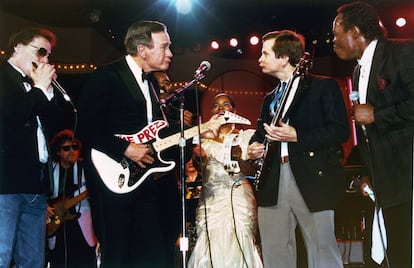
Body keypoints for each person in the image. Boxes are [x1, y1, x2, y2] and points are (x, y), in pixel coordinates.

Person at [76, 20, 220, 267]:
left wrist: (200, 131)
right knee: (118, 254)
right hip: (112, 181)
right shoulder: (107, 76)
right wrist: (125, 148)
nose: (170, 54)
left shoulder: (151, 83)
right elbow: (85, 126)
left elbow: (157, 132)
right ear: (142, 49)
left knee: (151, 254)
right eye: (164, 47)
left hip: (144, 182)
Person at [247, 30, 350, 268]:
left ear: (284, 58)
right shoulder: (269, 98)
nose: (259, 59)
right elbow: (259, 134)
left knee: (322, 249)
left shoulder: (323, 87)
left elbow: (340, 131)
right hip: (272, 180)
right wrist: (254, 146)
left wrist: (298, 136)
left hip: (311, 177)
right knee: (275, 252)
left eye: (265, 53)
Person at [332, 2, 414, 267]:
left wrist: (378, 114)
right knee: (393, 256)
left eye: (336, 34)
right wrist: (369, 171)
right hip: (385, 182)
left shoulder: (402, 52)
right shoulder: (357, 72)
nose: (332, 41)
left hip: (409, 175)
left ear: (355, 32)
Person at [0, 27, 60, 268]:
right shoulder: (2, 76)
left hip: (35, 182)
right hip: (6, 182)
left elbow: (58, 124)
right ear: (18, 47)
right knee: (2, 253)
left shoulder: (36, 86)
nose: (45, 60)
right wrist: (38, 89)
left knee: (33, 259)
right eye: (41, 52)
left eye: (48, 55)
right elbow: (14, 113)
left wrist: (48, 90)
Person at [188, 93, 263, 268]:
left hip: (239, 196)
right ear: (211, 112)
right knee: (209, 240)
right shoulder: (202, 138)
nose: (221, 108)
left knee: (240, 239)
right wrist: (199, 157)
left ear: (234, 110)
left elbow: (254, 170)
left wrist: (239, 158)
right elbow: (198, 168)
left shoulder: (246, 136)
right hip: (211, 198)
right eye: (216, 105)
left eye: (226, 104)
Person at [46, 129, 98, 268]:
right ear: (58, 151)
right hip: (57, 227)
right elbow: (40, 192)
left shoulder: (86, 167)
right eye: (66, 148)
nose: (72, 151)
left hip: (81, 226)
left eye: (75, 147)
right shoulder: (50, 170)